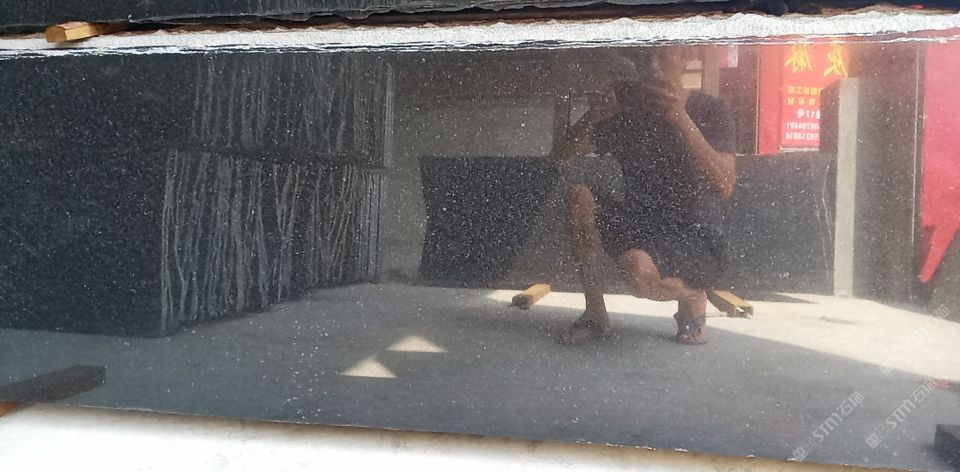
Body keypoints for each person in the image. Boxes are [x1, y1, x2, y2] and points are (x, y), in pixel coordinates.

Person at [556, 46, 737, 345]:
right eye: (644, 57)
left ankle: (692, 294)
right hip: (640, 220)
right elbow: (561, 156)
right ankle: (595, 314)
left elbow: (725, 184)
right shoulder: (625, 111)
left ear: (686, 57)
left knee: (639, 273)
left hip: (694, 233)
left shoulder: (710, 109)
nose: (652, 65)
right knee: (579, 197)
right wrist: (593, 116)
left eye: (662, 54)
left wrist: (679, 116)